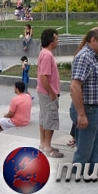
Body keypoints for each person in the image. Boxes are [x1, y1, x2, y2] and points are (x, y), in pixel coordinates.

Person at [69, 28, 98, 170]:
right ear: (93, 40)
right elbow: (75, 86)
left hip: (97, 109)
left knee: (97, 148)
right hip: (87, 110)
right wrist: (81, 114)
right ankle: (76, 178)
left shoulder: (96, 56)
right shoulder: (84, 57)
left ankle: (91, 174)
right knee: (85, 150)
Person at [37, 28, 62, 158]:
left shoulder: (44, 53)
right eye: (56, 39)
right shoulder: (47, 55)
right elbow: (44, 76)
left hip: (43, 92)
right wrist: (52, 92)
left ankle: (43, 144)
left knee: (44, 117)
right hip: (48, 93)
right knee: (50, 118)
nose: (58, 41)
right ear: (51, 41)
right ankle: (47, 147)